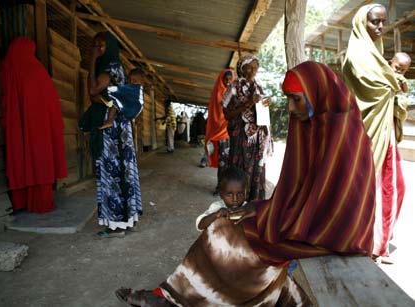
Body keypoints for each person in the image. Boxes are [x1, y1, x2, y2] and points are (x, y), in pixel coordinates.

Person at [115, 61, 376, 306]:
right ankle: (170, 293)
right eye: (288, 100)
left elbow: (336, 209)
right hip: (302, 222)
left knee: (230, 240)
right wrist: (265, 209)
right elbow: (299, 192)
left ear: (318, 94)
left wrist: (269, 214)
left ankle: (186, 296)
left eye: (295, 99)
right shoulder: (310, 126)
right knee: (223, 224)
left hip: (328, 234)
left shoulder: (344, 134)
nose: (290, 109)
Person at [117, 167, 311, 306]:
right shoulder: (217, 208)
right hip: (217, 264)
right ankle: (171, 296)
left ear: (246, 192)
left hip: (240, 267)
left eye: (240, 194)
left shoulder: (249, 208)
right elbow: (201, 225)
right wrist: (217, 216)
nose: (234, 199)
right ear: (221, 193)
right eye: (229, 194)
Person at [342, 4, 407, 264]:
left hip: (385, 130)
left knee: (394, 186)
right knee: (373, 186)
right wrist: (394, 85)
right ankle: (369, 243)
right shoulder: (356, 55)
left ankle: (376, 240)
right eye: (374, 22)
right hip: (366, 132)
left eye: (383, 22)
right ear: (361, 23)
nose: (380, 27)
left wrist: (393, 86)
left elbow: (388, 87)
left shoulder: (377, 56)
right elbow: (371, 89)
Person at [0, 37, 67, 213]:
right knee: (39, 159)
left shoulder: (9, 67)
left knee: (21, 156)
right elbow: (52, 104)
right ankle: (40, 202)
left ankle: (21, 202)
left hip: (18, 127)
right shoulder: (38, 70)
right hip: (41, 129)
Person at [86, 31, 142, 237]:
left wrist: (91, 61)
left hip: (113, 130)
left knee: (113, 173)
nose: (97, 49)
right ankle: (124, 220)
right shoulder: (112, 67)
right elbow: (95, 96)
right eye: (95, 45)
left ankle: (116, 224)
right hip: (117, 128)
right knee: (118, 172)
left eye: (101, 46)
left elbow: (93, 91)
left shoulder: (110, 68)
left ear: (109, 47)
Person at [222, 55, 271, 201]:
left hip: (256, 139)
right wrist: (247, 104)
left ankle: (254, 205)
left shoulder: (259, 87)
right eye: (249, 67)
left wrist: (267, 102)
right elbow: (227, 114)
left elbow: (262, 111)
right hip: (240, 137)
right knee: (239, 168)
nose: (253, 70)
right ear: (241, 69)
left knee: (256, 168)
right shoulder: (234, 88)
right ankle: (237, 204)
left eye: (255, 67)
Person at [205, 69, 234, 195]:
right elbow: (215, 114)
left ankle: (231, 188)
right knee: (222, 162)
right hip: (220, 134)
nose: (228, 82)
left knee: (232, 162)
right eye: (225, 79)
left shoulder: (234, 92)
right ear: (221, 79)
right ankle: (220, 187)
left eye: (230, 79)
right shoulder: (217, 92)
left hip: (232, 133)